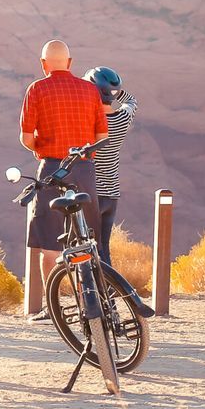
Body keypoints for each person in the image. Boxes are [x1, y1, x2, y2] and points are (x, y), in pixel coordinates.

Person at [20, 39, 109, 317]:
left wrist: (42, 149)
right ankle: (89, 302)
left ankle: (53, 307)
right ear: (70, 63)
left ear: (43, 64)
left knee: (48, 242)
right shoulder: (90, 91)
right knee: (86, 238)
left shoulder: (37, 89)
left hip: (51, 171)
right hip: (84, 170)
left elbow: (25, 138)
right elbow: (101, 137)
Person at [85, 66, 136, 267]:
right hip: (111, 193)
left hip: (92, 193)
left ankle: (95, 293)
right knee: (103, 246)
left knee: (91, 248)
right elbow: (132, 101)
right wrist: (117, 91)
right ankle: (110, 294)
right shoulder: (123, 118)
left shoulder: (90, 121)